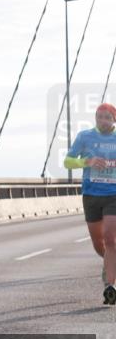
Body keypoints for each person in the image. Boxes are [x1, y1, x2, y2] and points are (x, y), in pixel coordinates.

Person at [64, 102, 116, 305]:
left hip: (114, 194)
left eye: (107, 117)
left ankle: (110, 286)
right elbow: (68, 161)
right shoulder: (85, 137)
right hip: (91, 195)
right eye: (99, 117)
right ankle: (108, 263)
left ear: (114, 120)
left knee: (110, 238)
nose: (103, 121)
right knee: (98, 243)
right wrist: (87, 162)